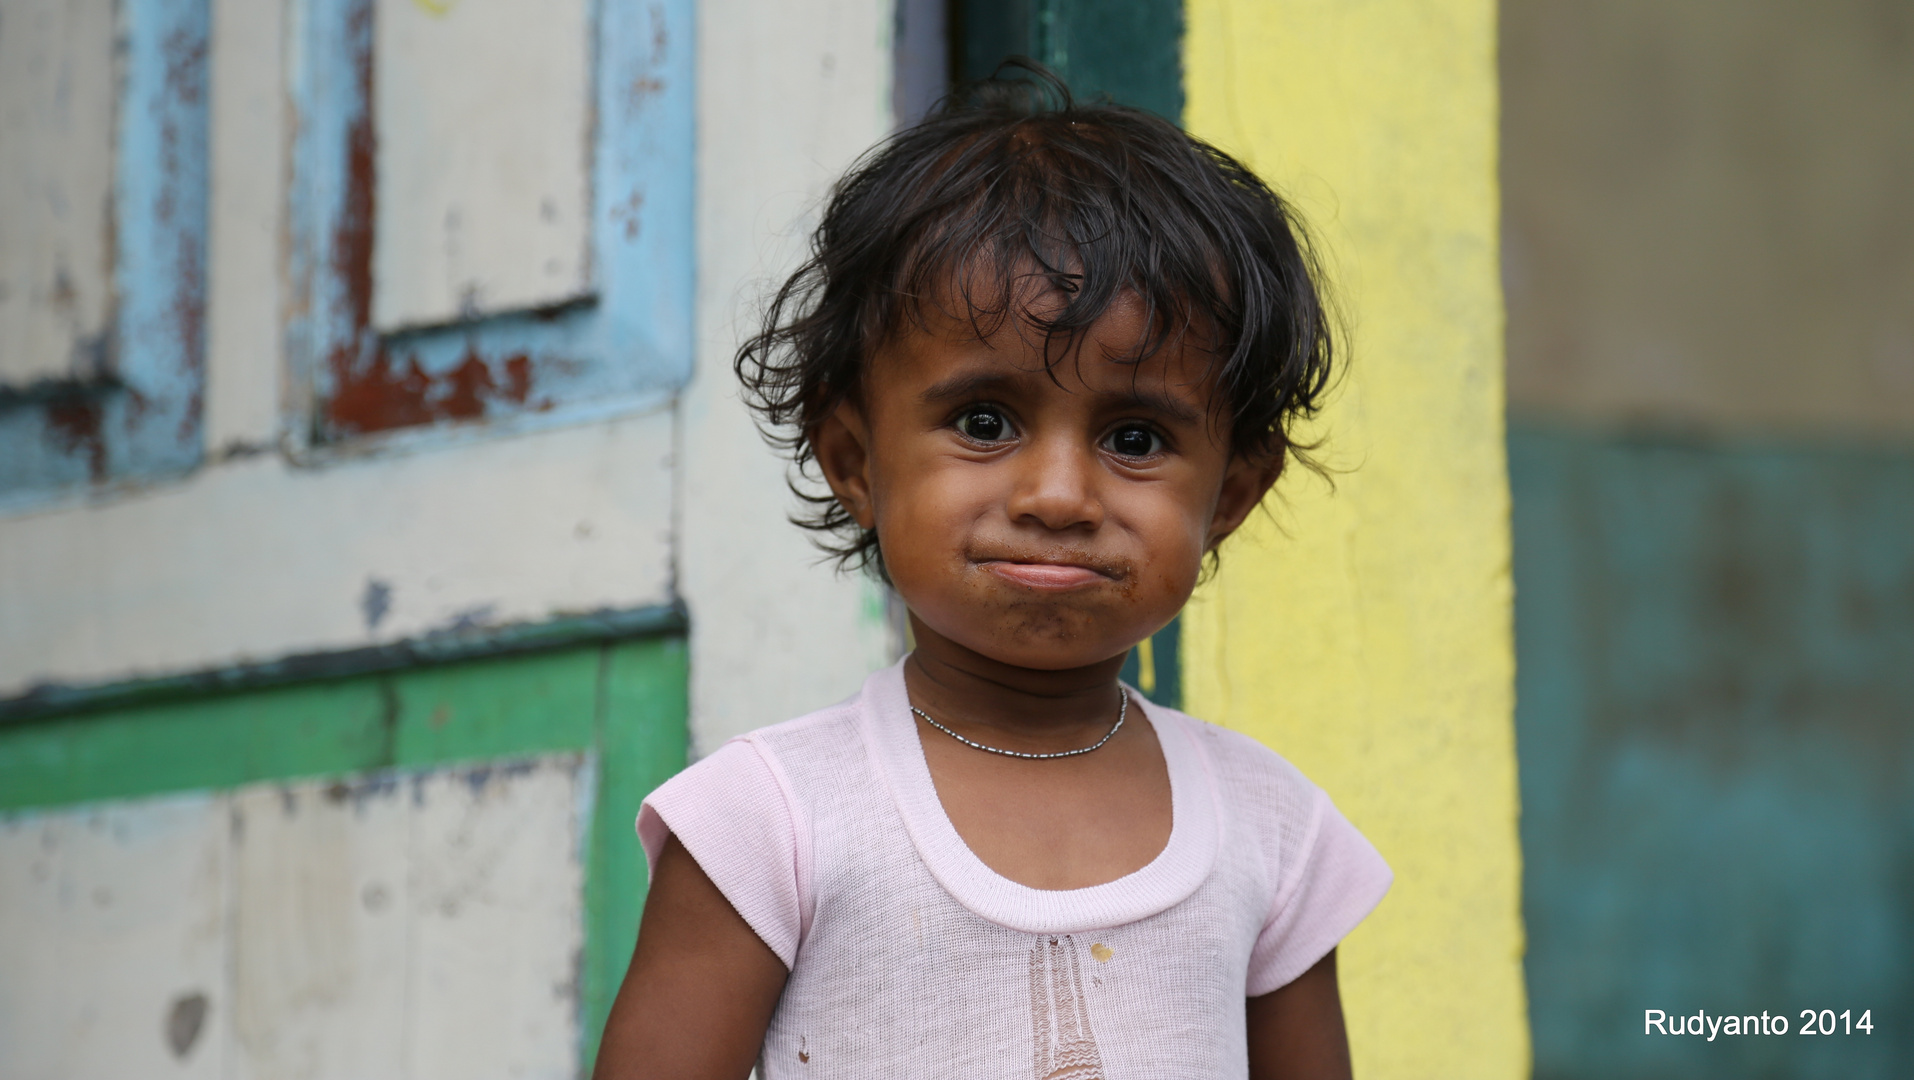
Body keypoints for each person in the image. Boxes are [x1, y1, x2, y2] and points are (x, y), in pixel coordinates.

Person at [594, 62, 1392, 1080]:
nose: (1059, 495)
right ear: (854, 463)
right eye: (985, 422)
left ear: (1229, 495)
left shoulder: (1275, 832)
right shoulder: (771, 820)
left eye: (1137, 438)